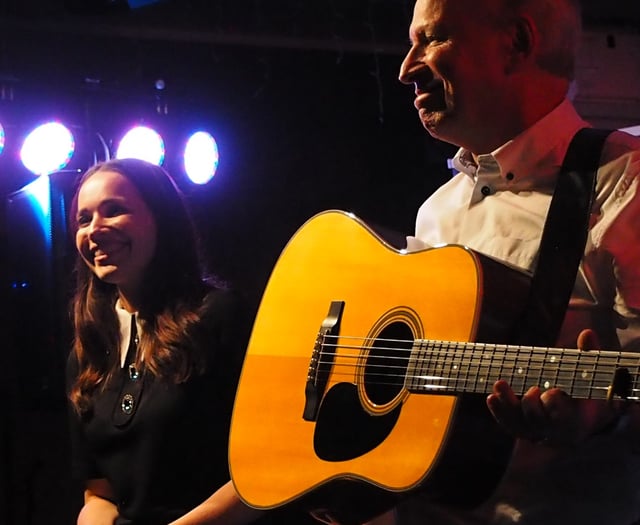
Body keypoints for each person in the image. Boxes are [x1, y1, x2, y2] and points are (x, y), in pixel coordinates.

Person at [365, 0, 640, 523]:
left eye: (433, 38)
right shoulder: (436, 212)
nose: (405, 68)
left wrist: (601, 417)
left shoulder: (626, 184)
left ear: (515, 42)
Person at [66, 158, 252, 524]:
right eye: (83, 220)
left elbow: (267, 467)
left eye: (114, 211)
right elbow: (98, 492)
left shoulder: (219, 316)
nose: (94, 230)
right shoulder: (86, 350)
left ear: (161, 220)